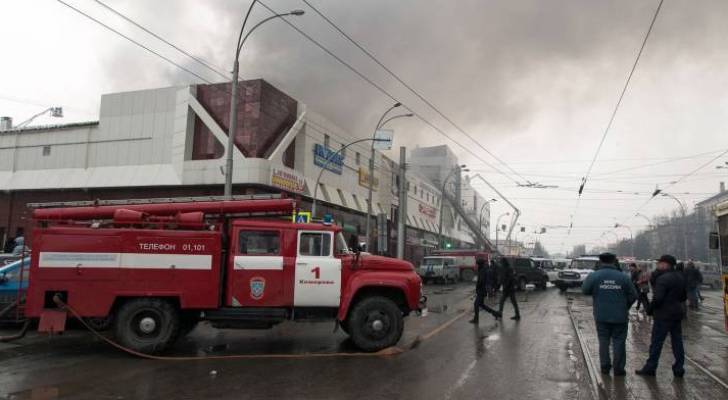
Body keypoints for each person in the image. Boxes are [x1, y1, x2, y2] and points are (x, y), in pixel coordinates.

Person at [582, 253, 637, 376]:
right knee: (619, 341)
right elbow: (633, 295)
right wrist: (625, 306)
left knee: (603, 341)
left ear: (600, 262)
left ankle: (605, 367)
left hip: (601, 315)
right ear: (614, 261)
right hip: (620, 316)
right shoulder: (623, 277)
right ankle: (619, 369)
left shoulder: (594, 275)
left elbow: (585, 290)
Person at [636, 254, 687, 378]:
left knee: (657, 342)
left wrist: (650, 309)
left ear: (665, 264)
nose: (657, 265)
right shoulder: (680, 277)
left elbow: (658, 298)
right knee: (677, 342)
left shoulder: (663, 279)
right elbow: (683, 297)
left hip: (663, 315)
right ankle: (679, 369)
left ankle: (650, 368)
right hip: (676, 313)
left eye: (659, 263)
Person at [469, 258, 502, 323]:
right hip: (482, 290)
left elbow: (481, 281)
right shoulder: (483, 269)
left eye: (477, 264)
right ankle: (496, 313)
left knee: (476, 304)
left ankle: (476, 319)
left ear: (480, 264)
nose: (477, 265)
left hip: (481, 290)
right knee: (482, 305)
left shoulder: (483, 270)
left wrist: (477, 287)